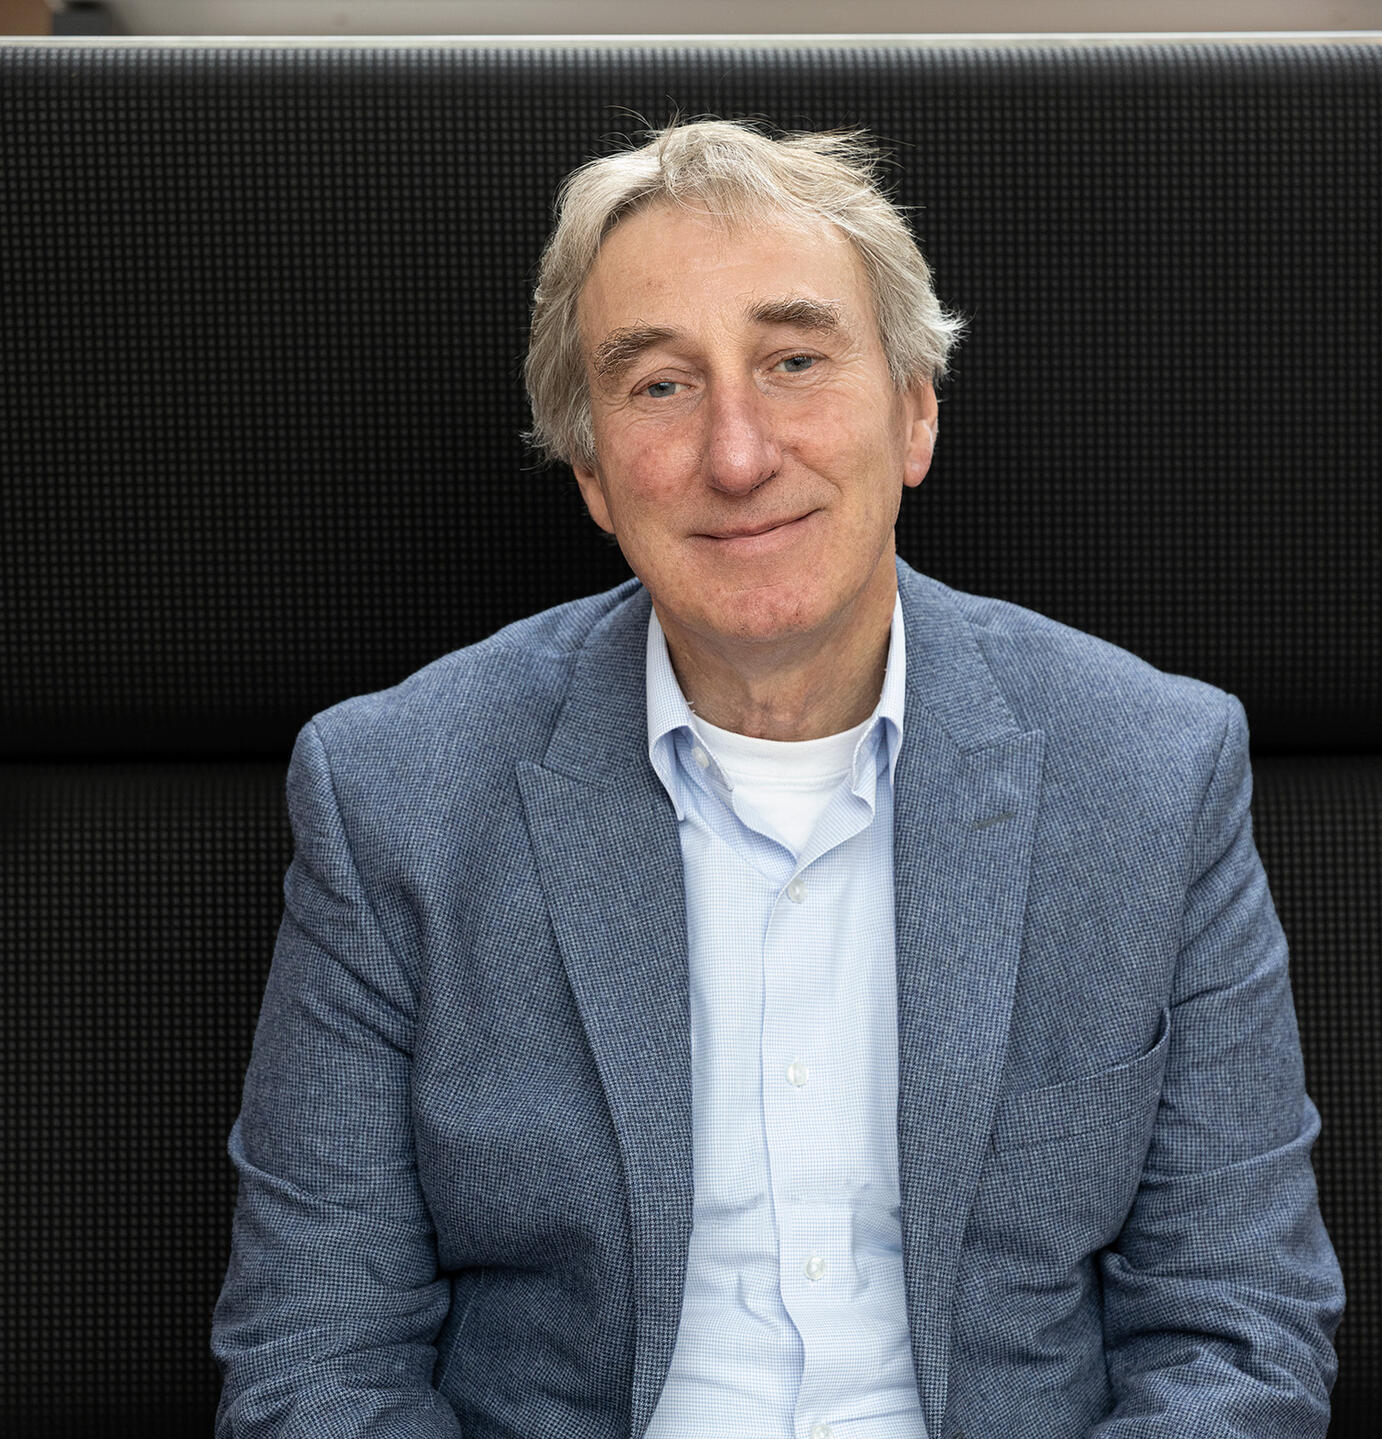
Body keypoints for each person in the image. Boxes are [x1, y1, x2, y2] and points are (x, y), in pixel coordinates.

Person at [211, 119, 1344, 1438]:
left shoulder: (1149, 772)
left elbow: (1238, 1332)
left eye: (794, 361)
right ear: (591, 472)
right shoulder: (393, 795)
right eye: (660, 386)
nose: (738, 455)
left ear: (914, 412)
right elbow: (314, 1363)